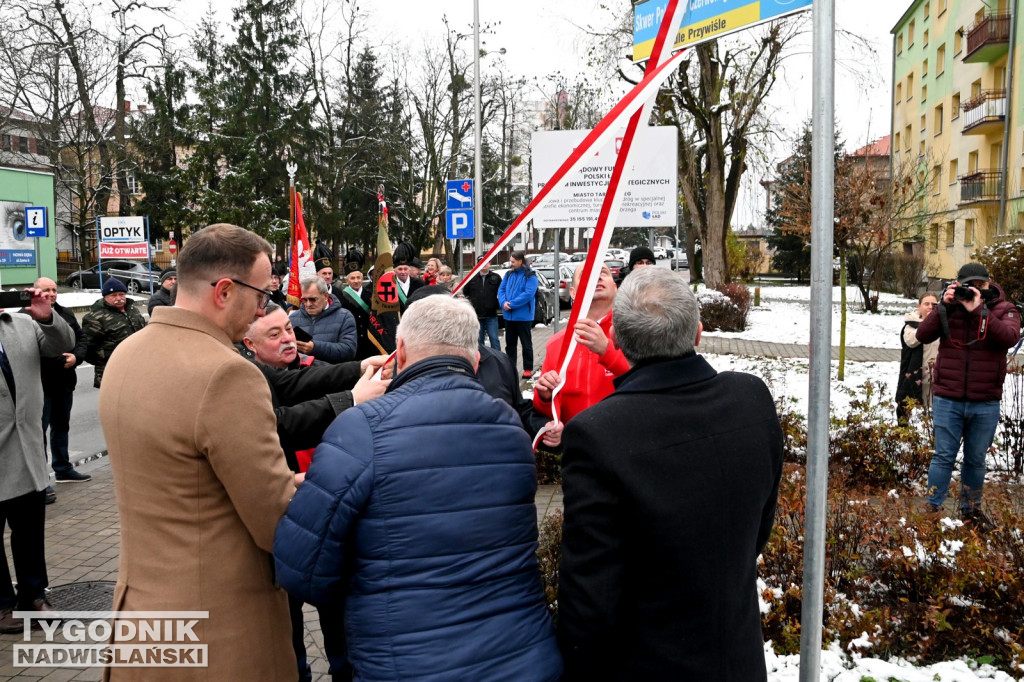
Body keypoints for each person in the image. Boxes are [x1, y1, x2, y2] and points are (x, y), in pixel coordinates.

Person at [274, 295, 563, 681]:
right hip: (521, 656)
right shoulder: (509, 426)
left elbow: (301, 568)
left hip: (407, 660)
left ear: (402, 352)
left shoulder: (361, 428)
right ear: (475, 360)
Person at [557, 267, 783, 680]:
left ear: (619, 341)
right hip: (738, 658)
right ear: (697, 333)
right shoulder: (751, 398)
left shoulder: (598, 434)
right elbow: (757, 530)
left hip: (648, 664)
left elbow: (590, 594)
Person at [98, 223, 299, 680]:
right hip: (219, 633)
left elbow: (183, 480)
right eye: (261, 296)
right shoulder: (227, 373)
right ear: (225, 290)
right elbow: (276, 523)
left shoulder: (127, 353)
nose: (261, 310)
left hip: (142, 625)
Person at [242, 303, 389, 682]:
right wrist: (354, 399)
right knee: (287, 617)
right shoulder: (242, 374)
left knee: (334, 612)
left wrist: (359, 367)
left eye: (288, 330)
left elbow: (299, 384)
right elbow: (284, 424)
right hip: (278, 519)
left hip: (323, 513)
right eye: (273, 335)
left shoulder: (296, 370)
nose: (288, 339)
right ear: (249, 343)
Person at [916, 262, 1021, 523]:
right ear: (959, 284)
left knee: (975, 459)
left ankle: (970, 511)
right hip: (948, 397)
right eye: (969, 285)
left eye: (980, 285)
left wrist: (979, 312)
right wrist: (944, 306)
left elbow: (1009, 338)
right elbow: (922, 334)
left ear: (989, 284)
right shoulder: (949, 308)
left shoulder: (1003, 309)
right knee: (942, 457)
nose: (974, 289)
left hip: (984, 400)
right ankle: (932, 509)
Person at [0, 286, 74, 633]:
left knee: (29, 532)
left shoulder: (20, 324)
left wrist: (47, 317)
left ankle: (34, 595)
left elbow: (62, 344)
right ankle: (2, 606)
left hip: (26, 450)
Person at [533, 264, 630, 424]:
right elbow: (547, 413)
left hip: (626, 443)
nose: (596, 277)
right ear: (573, 292)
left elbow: (650, 382)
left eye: (603, 272)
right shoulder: (557, 344)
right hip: (576, 444)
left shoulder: (635, 334)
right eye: (586, 275)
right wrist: (545, 397)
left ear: (615, 287)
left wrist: (607, 351)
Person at [31, 278, 90, 483]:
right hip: (41, 384)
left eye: (54, 289)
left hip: (64, 382)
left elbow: (81, 339)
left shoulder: (66, 313)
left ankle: (63, 468)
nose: (52, 293)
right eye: (46, 290)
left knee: (61, 426)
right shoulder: (27, 315)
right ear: (36, 292)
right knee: (39, 433)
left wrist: (76, 358)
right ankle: (41, 479)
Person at [82, 278, 146, 388]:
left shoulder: (133, 310)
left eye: (121, 294)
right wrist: (107, 358)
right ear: (105, 297)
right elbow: (88, 348)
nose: (119, 298)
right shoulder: (94, 317)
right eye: (113, 295)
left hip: (137, 369)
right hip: (111, 372)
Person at [289, 276, 358, 363]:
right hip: (301, 374)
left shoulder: (345, 317)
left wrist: (315, 348)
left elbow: (349, 351)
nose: (308, 304)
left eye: (313, 299)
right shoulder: (293, 318)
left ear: (325, 296)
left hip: (333, 374)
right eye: (304, 300)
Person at [895, 292, 939, 423]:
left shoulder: (944, 324)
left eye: (934, 304)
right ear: (919, 306)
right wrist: (931, 323)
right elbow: (912, 340)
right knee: (905, 407)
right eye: (927, 304)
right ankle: (903, 437)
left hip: (937, 377)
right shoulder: (910, 325)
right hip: (914, 376)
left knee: (939, 414)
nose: (930, 307)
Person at [498, 250, 538, 379]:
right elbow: (501, 289)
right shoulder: (509, 274)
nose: (511, 264)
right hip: (508, 316)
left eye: (513, 262)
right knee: (510, 345)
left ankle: (527, 368)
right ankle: (510, 368)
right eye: (511, 261)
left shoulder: (530, 276)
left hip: (523, 316)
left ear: (520, 261)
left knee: (526, 344)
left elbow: (528, 294)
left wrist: (512, 304)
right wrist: (503, 302)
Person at [336, 269, 377, 361]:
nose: (356, 281)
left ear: (362, 279)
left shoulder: (370, 294)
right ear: (347, 281)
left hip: (370, 339)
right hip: (353, 339)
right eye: (352, 278)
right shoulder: (342, 297)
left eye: (358, 278)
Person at [463, 260, 502, 351]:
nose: (483, 265)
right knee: (479, 341)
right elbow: (466, 292)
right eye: (480, 262)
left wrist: (496, 304)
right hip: (477, 315)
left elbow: (502, 292)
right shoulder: (472, 277)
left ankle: (497, 361)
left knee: (494, 340)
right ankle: (480, 362)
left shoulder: (496, 277)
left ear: (490, 264)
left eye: (486, 262)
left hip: (491, 315)